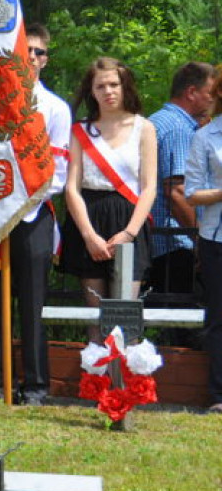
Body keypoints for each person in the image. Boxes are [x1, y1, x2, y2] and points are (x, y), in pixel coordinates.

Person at [0, 24, 71, 406]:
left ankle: (34, 386)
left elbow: (58, 173)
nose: (31, 57)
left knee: (32, 306)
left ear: (46, 59)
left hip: (33, 217)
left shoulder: (56, 109)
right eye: (25, 50)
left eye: (39, 52)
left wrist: (20, 202)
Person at [61, 57, 157, 340]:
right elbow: (71, 188)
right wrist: (89, 236)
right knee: (96, 318)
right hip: (90, 220)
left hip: (130, 221)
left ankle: (128, 381)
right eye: (101, 86)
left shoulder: (144, 128)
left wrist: (129, 232)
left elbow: (149, 187)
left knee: (126, 315)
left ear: (125, 85)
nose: (108, 91)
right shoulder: (80, 130)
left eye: (114, 84)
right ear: (91, 91)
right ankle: (97, 380)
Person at [148, 62, 216, 329]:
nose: (214, 99)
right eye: (211, 93)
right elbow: (177, 192)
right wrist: (199, 239)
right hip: (176, 244)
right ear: (191, 92)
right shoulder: (178, 128)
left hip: (163, 243)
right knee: (186, 328)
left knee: (167, 323)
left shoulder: (160, 121)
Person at [184, 81, 222, 412]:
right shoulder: (204, 136)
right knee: (219, 318)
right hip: (217, 239)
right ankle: (219, 395)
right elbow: (192, 193)